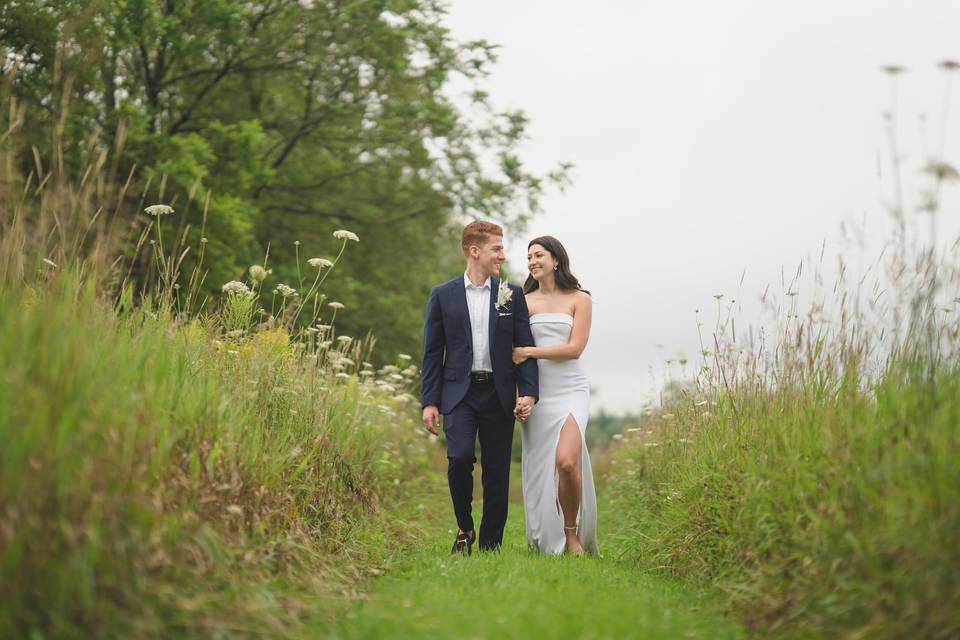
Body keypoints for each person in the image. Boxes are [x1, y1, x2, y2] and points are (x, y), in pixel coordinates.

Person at [421, 221, 539, 554]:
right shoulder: (442, 295)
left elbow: (524, 347)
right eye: (496, 248)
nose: (502, 255)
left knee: (497, 471)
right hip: (459, 392)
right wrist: (429, 401)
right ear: (475, 251)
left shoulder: (509, 294)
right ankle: (464, 527)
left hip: (499, 392)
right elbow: (432, 352)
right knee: (458, 459)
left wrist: (528, 392)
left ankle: (490, 546)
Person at [512, 236, 598, 555]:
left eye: (539, 255)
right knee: (539, 467)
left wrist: (530, 351)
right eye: (529, 257)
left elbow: (575, 349)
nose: (533, 261)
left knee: (566, 462)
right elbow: (513, 356)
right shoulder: (522, 300)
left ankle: (571, 534)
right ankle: (542, 536)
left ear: (556, 260)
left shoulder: (580, 298)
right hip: (537, 393)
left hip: (571, 389)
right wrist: (521, 395)